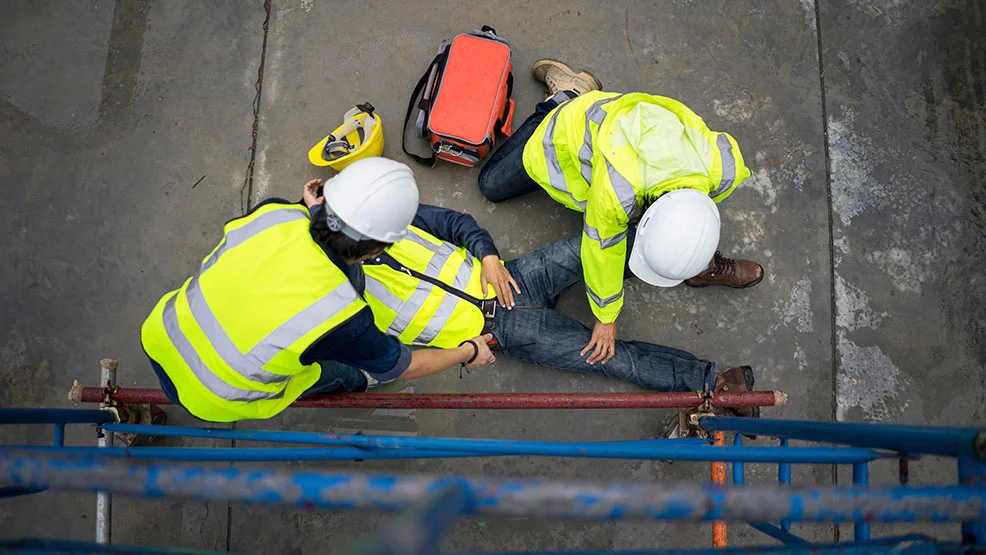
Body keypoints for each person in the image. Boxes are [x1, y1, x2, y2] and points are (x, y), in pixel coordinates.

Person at [140, 158, 495, 423]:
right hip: (214, 394)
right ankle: (359, 380)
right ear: (375, 251)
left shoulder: (275, 212)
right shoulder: (342, 314)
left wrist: (313, 212)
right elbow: (404, 366)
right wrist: (467, 351)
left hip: (162, 332)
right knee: (338, 370)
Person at [477, 59, 764, 367]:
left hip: (622, 135)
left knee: (674, 239)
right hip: (566, 134)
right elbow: (602, 251)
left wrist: (693, 248)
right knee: (491, 185)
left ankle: (700, 266)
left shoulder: (723, 167)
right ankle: (566, 95)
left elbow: (695, 216)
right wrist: (606, 317)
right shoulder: (616, 192)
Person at [355, 203, 758, 416]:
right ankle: (717, 383)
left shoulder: (373, 217)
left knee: (603, 248)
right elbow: (393, 365)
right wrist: (468, 352)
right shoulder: (340, 311)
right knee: (612, 358)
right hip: (500, 331)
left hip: (512, 276)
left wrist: (489, 256)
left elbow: (455, 223)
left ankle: (693, 262)